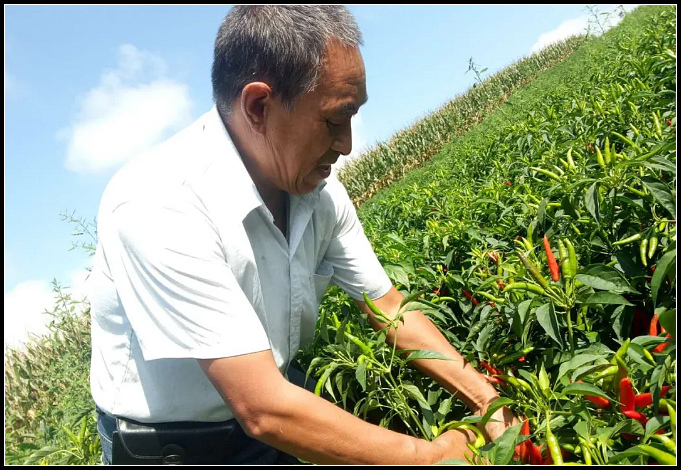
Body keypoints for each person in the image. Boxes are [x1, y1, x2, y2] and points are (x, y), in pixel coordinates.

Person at [88, 5, 517, 465]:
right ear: (259, 107)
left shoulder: (318, 195)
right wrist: (429, 458)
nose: (347, 145)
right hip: (180, 447)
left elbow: (390, 309)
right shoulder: (159, 201)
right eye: (334, 120)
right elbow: (263, 408)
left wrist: (487, 400)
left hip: (275, 402)